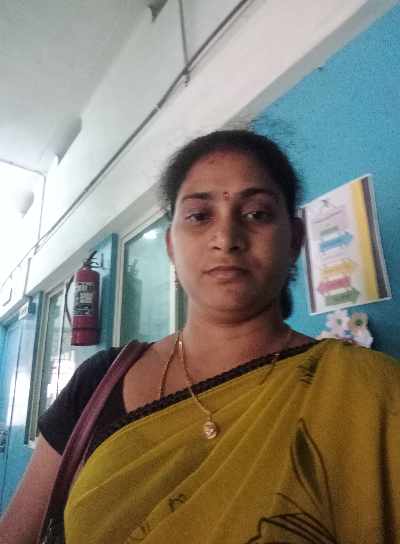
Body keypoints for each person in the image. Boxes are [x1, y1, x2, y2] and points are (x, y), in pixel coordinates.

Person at [1, 130, 399, 543]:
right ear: (171, 245)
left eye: (257, 213)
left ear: (295, 240)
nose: (226, 239)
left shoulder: (370, 391)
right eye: (199, 216)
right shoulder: (100, 381)